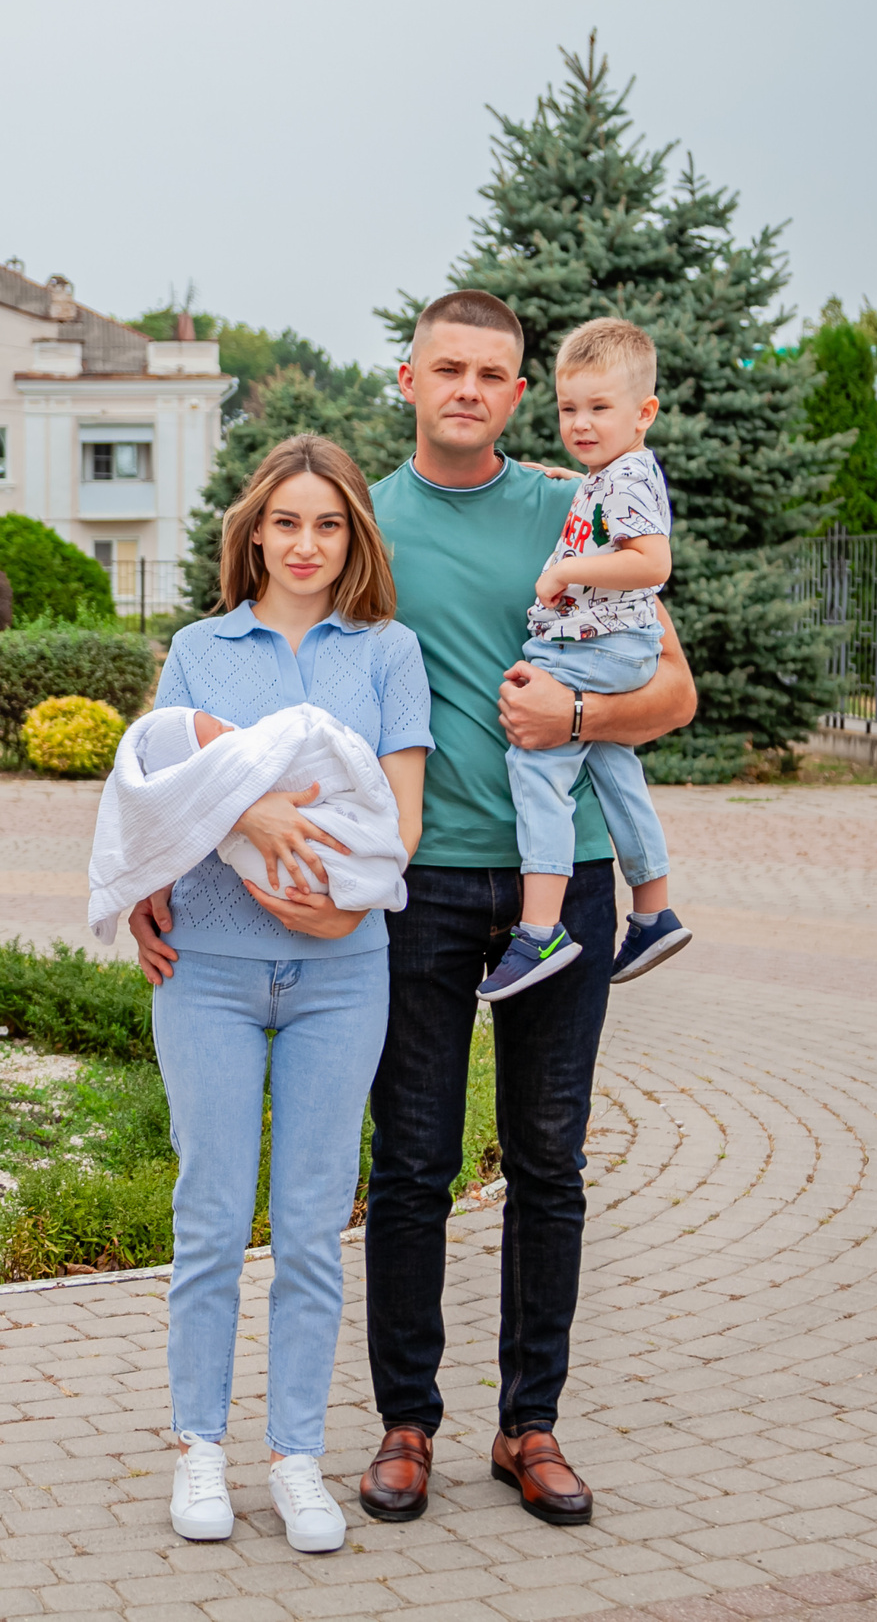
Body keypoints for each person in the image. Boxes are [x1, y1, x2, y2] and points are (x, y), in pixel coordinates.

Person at [355, 289, 698, 1527]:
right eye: (446, 369)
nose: (468, 389)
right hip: (425, 881)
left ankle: (529, 1426)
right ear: (407, 379)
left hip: (572, 881)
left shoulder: (577, 503)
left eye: (492, 375)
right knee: (413, 1161)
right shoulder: (361, 526)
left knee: (549, 1159)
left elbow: (673, 693)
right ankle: (406, 1423)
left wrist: (580, 721)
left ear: (516, 393)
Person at [123, 433, 431, 1555]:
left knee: (309, 1225)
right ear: (253, 530)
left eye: (329, 524)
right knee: (209, 1218)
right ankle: (197, 1449)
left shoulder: (387, 652)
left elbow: (403, 815)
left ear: (354, 537)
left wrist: (353, 907)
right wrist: (239, 815)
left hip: (342, 974)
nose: (305, 544)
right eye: (287, 522)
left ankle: (296, 1457)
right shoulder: (200, 649)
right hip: (204, 965)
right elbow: (155, 785)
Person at [479, 317, 691, 1001]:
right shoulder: (618, 473)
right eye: (570, 408)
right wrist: (580, 479)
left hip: (598, 647)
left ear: (644, 413)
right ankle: (654, 910)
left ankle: (539, 928)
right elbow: (620, 506)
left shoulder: (626, 478)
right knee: (610, 765)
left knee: (537, 760)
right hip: (619, 647)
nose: (581, 422)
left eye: (601, 408)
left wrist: (566, 570)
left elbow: (652, 559)